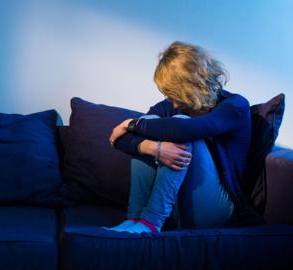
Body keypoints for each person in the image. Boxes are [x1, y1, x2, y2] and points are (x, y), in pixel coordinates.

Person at [103, 41, 252, 234]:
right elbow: (120, 140)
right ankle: (135, 219)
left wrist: (132, 124)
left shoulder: (235, 106)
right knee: (150, 121)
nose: (172, 104)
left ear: (193, 87)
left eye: (176, 95)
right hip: (178, 208)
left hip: (219, 211)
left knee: (176, 124)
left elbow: (184, 129)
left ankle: (150, 223)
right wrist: (153, 148)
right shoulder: (175, 105)